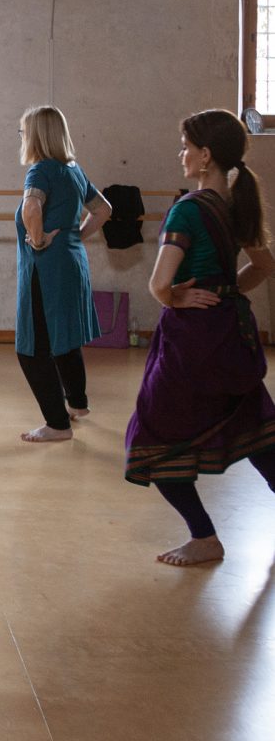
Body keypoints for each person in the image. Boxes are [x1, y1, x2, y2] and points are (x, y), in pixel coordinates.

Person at [125, 109, 275, 566]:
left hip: (193, 344)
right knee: (258, 431)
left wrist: (178, 299)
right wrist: (226, 292)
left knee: (149, 436)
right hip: (234, 334)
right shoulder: (238, 203)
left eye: (187, 146)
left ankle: (204, 537)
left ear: (205, 156)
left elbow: (158, 284)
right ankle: (204, 538)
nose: (181, 153)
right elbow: (265, 266)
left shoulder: (188, 209)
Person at [14, 105, 111, 443]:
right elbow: (103, 210)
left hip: (48, 268)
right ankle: (79, 406)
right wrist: (75, 235)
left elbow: (31, 207)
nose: (22, 138)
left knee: (31, 348)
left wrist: (38, 240)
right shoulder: (73, 169)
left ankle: (58, 424)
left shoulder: (40, 171)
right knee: (64, 339)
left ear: (37, 135)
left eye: (24, 131)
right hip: (72, 262)